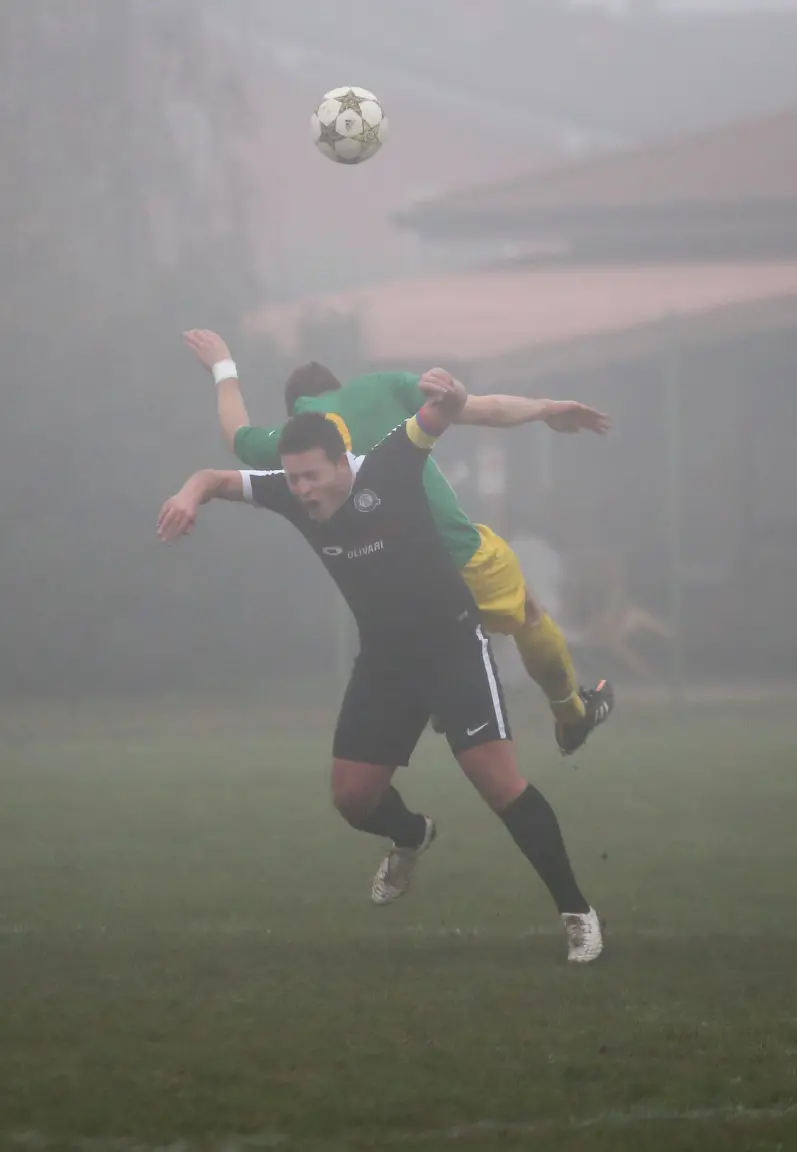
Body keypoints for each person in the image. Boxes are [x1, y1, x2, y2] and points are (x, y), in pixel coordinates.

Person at [158, 367, 603, 963]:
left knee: (498, 785)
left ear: (344, 463)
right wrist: (188, 495)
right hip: (387, 663)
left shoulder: (390, 465)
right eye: (293, 479)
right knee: (350, 799)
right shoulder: (291, 492)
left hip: (450, 647)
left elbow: (442, 416)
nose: (303, 490)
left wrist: (464, 399)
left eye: (312, 476)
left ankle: (576, 911)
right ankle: (412, 835)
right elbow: (215, 476)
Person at [183, 329, 614, 755]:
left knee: (411, 640)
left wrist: (223, 365)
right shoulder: (382, 388)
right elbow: (481, 408)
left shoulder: (293, 442)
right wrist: (544, 409)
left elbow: (235, 433)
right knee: (529, 615)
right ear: (339, 387)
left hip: (381, 578)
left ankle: (440, 701)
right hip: (457, 552)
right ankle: (572, 715)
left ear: (295, 408)